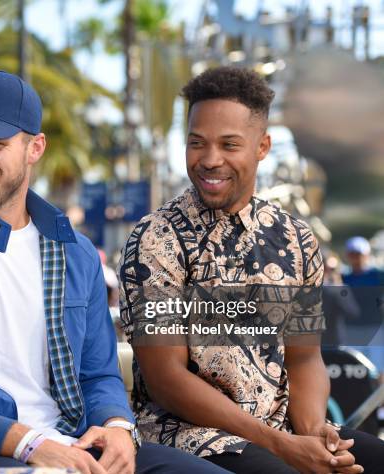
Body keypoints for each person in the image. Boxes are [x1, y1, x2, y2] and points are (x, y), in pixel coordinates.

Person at [0, 70, 227, 473]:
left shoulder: (75, 252)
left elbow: (98, 373)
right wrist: (29, 443)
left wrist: (117, 427)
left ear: (35, 148)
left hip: (72, 448)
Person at [118, 66, 384, 473]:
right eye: (196, 143)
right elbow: (166, 380)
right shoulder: (157, 239)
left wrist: (313, 431)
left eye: (229, 144)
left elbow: (304, 359)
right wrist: (281, 445)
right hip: (189, 438)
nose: (210, 160)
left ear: (262, 147)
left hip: (283, 430)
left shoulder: (297, 239)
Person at [341, 236, 384, 372]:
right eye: (353, 254)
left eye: (359, 254)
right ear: (348, 255)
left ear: (366, 254)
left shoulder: (378, 275)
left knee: (378, 370)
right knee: (352, 369)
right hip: (351, 331)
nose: (357, 258)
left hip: (375, 330)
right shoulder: (343, 277)